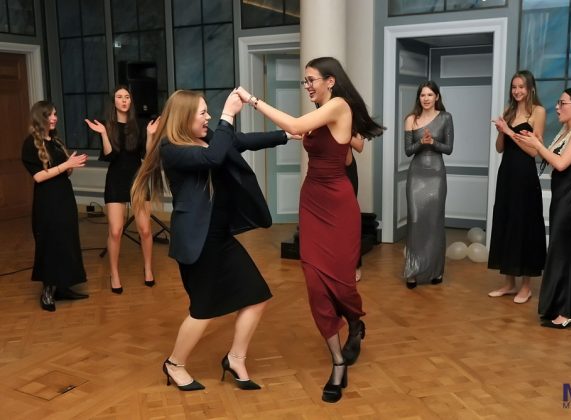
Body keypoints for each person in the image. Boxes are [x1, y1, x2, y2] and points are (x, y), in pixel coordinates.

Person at [235, 56, 385, 403]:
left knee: (342, 282)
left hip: (338, 204)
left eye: (311, 80)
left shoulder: (339, 105)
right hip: (313, 200)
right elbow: (328, 146)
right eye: (304, 81)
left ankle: (355, 320)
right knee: (315, 283)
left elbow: (297, 124)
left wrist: (252, 100)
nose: (307, 86)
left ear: (330, 81)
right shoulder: (323, 112)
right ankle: (337, 361)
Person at [131, 90, 295, 391]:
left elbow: (242, 141)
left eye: (209, 112)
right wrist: (228, 115)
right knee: (203, 309)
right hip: (198, 242)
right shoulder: (171, 148)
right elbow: (213, 157)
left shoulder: (207, 138)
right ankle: (174, 364)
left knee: (257, 295)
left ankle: (236, 358)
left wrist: (287, 135)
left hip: (220, 237)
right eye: (203, 113)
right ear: (184, 117)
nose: (208, 118)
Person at [513, 87, 571, 329]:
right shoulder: (566, 130)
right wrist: (533, 142)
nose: (557, 107)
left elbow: (560, 164)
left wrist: (537, 145)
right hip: (563, 197)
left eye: (562, 103)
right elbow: (551, 157)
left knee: (569, 252)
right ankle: (558, 306)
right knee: (560, 251)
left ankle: (568, 311)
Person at [85, 86, 159, 293]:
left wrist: (150, 135)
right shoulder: (107, 125)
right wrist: (103, 134)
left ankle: (148, 268)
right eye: (120, 97)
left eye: (127, 97)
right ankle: (114, 273)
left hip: (137, 180)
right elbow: (110, 156)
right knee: (116, 231)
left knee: (145, 229)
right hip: (116, 179)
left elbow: (147, 155)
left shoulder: (140, 124)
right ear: (114, 101)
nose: (124, 100)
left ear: (131, 101)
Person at [21, 101, 89, 311]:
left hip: (64, 198)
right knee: (51, 244)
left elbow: (63, 171)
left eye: (55, 114)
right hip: (47, 202)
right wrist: (66, 164)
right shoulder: (30, 144)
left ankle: (63, 288)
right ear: (39, 118)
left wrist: (71, 165)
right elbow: (39, 176)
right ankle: (47, 292)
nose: (54, 118)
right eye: (50, 115)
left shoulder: (56, 141)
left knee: (67, 241)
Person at [487, 71, 547, 304]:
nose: (517, 91)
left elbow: (533, 151)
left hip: (525, 176)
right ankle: (509, 283)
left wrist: (510, 131)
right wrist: (501, 132)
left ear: (530, 88)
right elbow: (499, 148)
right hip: (507, 174)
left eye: (521, 86)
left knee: (524, 225)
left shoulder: (538, 112)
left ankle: (526, 287)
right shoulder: (508, 111)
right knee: (507, 223)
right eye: (514, 87)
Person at [403, 81, 454, 289]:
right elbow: (408, 151)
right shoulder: (411, 119)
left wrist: (433, 142)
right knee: (415, 221)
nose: (426, 99)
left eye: (430, 95)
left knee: (434, 222)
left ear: (437, 97)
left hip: (436, 175)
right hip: (416, 175)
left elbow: (449, 148)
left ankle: (435, 270)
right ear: (419, 97)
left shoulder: (446, 118)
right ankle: (413, 272)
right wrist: (420, 143)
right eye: (422, 95)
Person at [345, 135, 364, 282]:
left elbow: (359, 146)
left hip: (346, 169)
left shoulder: (353, 122)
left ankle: (355, 264)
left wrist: (343, 131)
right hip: (327, 167)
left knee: (349, 220)